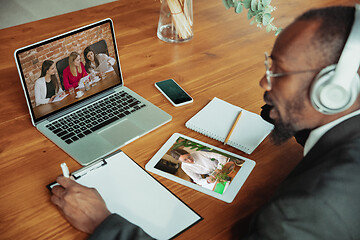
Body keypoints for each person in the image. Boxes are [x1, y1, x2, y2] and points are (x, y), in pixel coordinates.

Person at [51, 5, 360, 239]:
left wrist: (104, 225)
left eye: (278, 72)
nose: (264, 83)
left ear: (333, 92)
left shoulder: (304, 212)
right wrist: (284, 112)